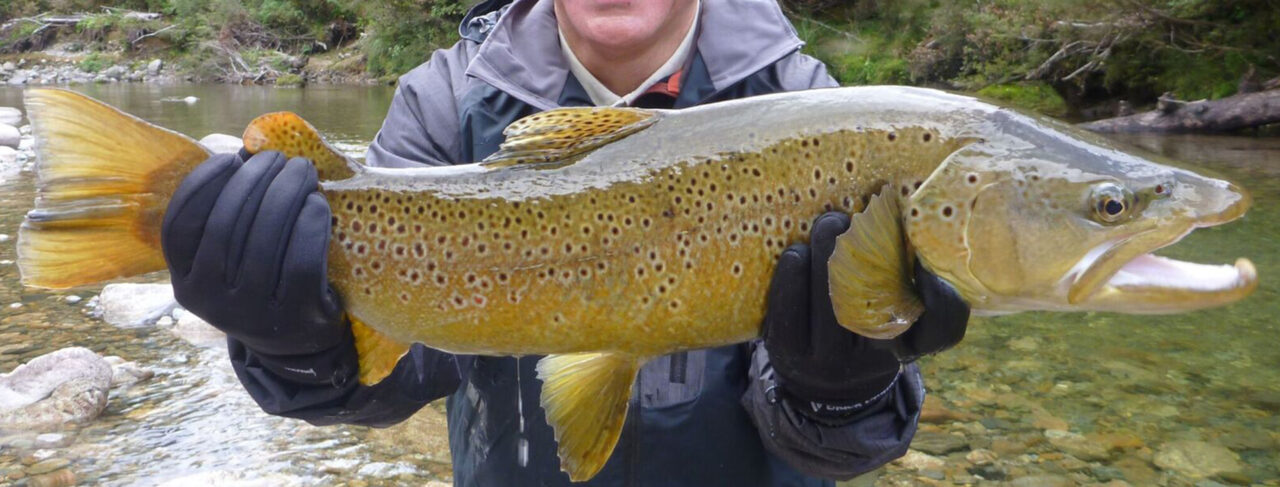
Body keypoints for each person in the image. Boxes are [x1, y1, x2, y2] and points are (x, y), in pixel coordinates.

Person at [159, 0, 970, 485]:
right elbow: (402, 375)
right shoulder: (446, 101)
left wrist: (840, 388)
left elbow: (848, 443)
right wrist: (301, 348)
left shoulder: (816, 112)